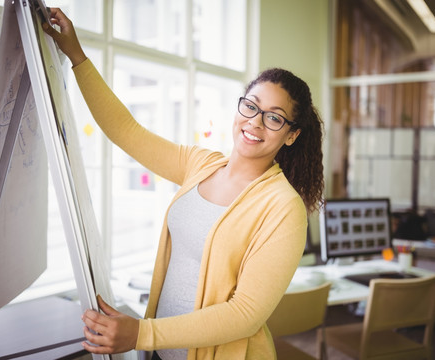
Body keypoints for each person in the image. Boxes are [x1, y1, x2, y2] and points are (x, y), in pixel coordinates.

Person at [44, 7, 324, 360]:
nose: (255, 123)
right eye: (251, 107)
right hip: (160, 353)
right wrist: (77, 56)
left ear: (291, 135)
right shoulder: (201, 164)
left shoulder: (283, 209)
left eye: (274, 118)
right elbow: (126, 131)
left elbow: (245, 314)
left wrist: (143, 333)